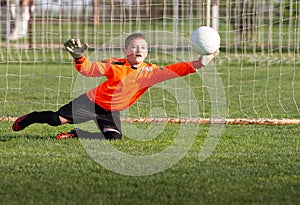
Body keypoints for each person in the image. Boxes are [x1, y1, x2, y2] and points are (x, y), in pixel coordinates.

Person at [12, 33, 219, 140]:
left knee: (114, 137)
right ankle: (31, 117)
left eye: (143, 47)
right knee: (57, 120)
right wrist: (79, 57)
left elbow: (175, 69)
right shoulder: (115, 64)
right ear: (125, 50)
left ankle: (77, 134)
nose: (139, 49)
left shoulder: (150, 72)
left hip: (111, 111)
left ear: (147, 52)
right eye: (134, 46)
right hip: (91, 102)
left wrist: (198, 64)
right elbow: (89, 69)